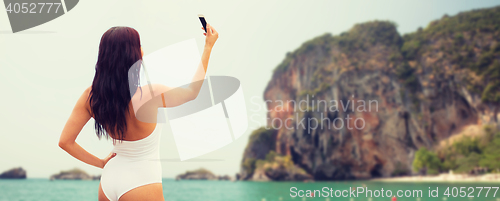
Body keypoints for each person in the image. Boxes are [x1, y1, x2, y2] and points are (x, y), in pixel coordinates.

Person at [58, 24, 218, 201]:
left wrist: (102, 163)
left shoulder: (91, 96)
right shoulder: (151, 94)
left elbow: (65, 142)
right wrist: (208, 47)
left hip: (108, 181)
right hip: (141, 182)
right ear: (135, 54)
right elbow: (192, 93)